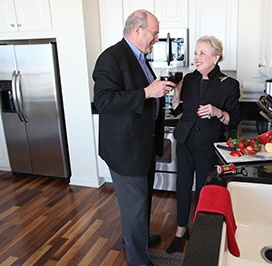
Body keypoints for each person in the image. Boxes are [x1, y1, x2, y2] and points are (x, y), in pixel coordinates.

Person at [93, 10, 177, 266]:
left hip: (142, 145)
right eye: (154, 33)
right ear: (138, 29)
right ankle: (139, 259)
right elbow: (104, 101)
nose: (157, 39)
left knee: (141, 202)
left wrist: (159, 90)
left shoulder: (140, 57)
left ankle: (137, 237)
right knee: (135, 206)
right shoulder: (111, 57)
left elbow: (143, 93)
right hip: (125, 149)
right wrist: (148, 91)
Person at [166, 35, 240, 254]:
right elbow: (177, 109)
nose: (196, 58)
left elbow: (234, 119)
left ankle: (199, 232)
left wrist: (217, 112)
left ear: (215, 58)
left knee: (202, 189)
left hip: (207, 144)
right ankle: (181, 230)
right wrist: (177, 91)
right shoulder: (189, 79)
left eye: (202, 53)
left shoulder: (229, 85)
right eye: (196, 53)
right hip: (185, 140)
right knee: (182, 185)